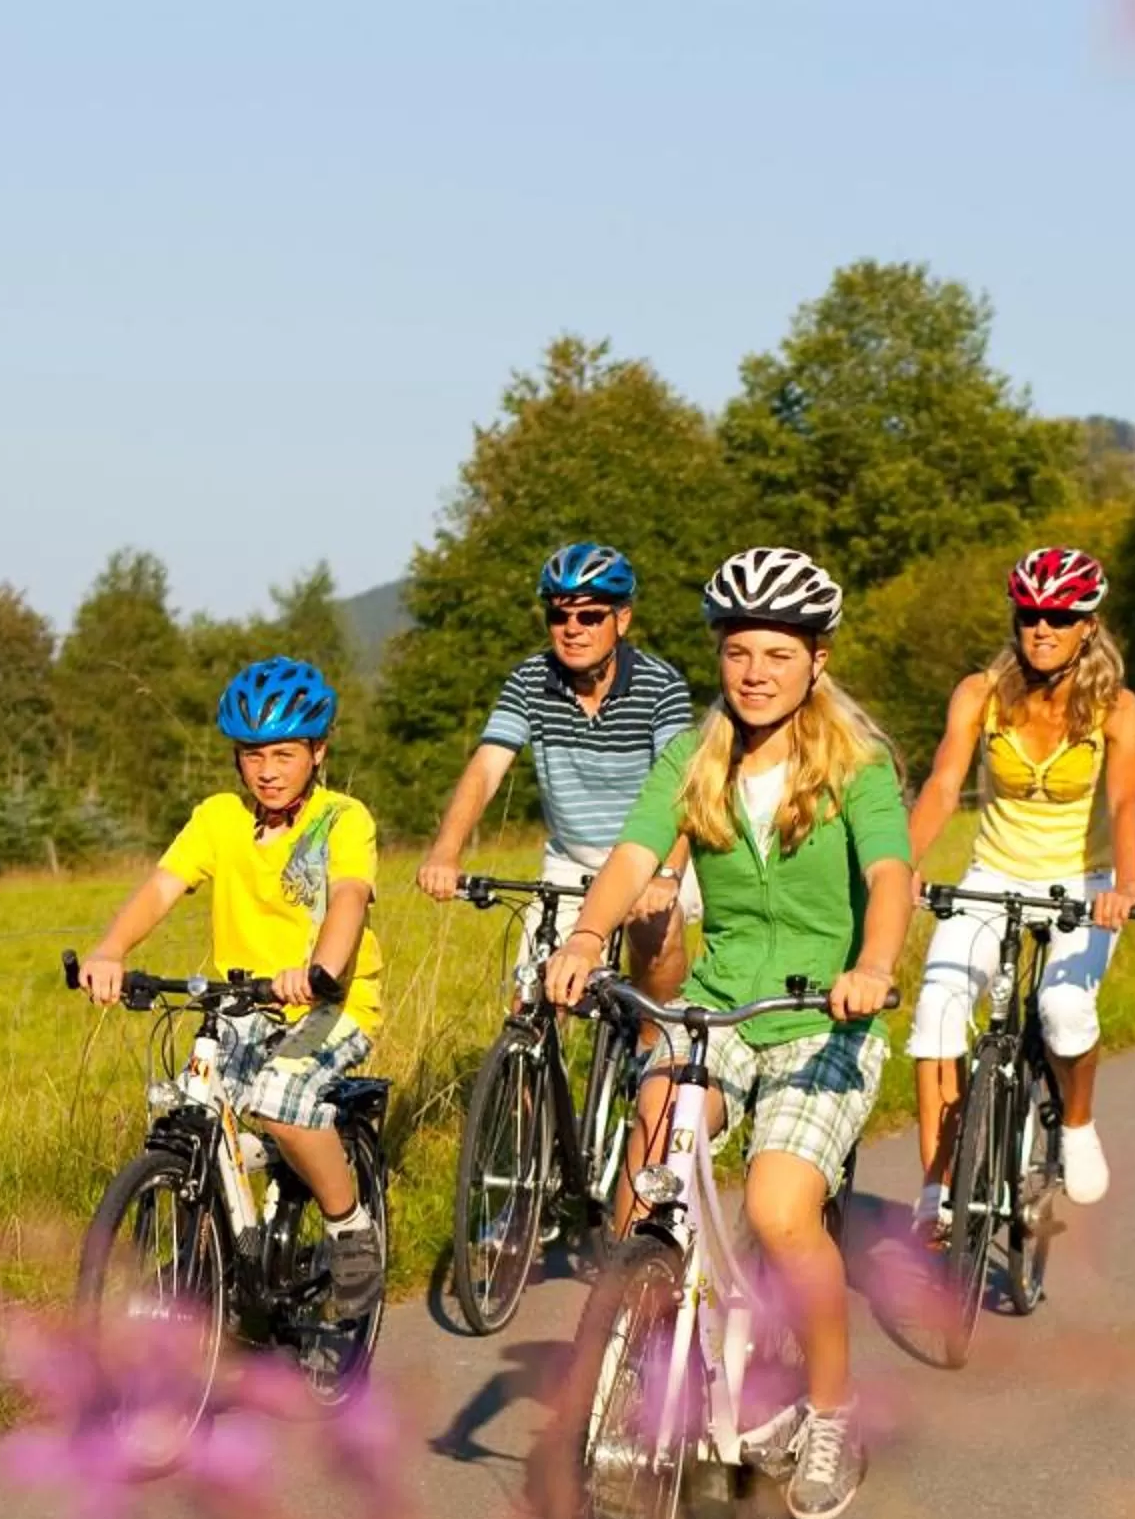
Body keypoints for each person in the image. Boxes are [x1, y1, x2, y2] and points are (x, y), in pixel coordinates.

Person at [543, 547, 908, 1519]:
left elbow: (888, 878)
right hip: (716, 1005)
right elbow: (633, 851)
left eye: (776, 654)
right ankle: (645, 1334)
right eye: (739, 651)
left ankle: (831, 1410)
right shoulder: (695, 756)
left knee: (785, 1209)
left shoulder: (858, 766)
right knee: (648, 1164)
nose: (753, 672)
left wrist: (872, 965)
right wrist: (585, 933)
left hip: (823, 1021)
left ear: (816, 660)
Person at [79, 656, 388, 1327]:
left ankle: (349, 1227)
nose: (268, 769)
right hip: (241, 1007)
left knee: (278, 1098)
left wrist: (321, 971)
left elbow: (349, 898)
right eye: (253, 754)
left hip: (331, 1004)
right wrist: (111, 949)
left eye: (283, 753)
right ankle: (214, 1251)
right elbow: (164, 885)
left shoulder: (343, 820)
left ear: (318, 752)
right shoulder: (219, 818)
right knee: (191, 1101)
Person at [903, 547, 1135, 1234]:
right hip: (994, 875)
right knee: (939, 1010)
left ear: (1087, 626)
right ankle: (937, 1189)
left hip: (1083, 881)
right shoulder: (979, 693)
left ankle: (1076, 1124)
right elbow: (945, 785)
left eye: (1060, 617)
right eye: (1030, 615)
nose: (1042, 629)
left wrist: (1124, 886)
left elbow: (1126, 803)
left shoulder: (1116, 708)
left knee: (1066, 1008)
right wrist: (903, 865)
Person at [413, 542, 699, 999]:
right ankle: (530, 1066)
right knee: (535, 993)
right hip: (571, 859)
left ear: (621, 620)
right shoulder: (529, 680)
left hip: (651, 856)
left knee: (654, 942)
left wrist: (667, 876)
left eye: (589, 617)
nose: (572, 629)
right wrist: (446, 852)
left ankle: (651, 1055)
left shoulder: (660, 685)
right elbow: (486, 769)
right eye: (558, 616)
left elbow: (688, 789)